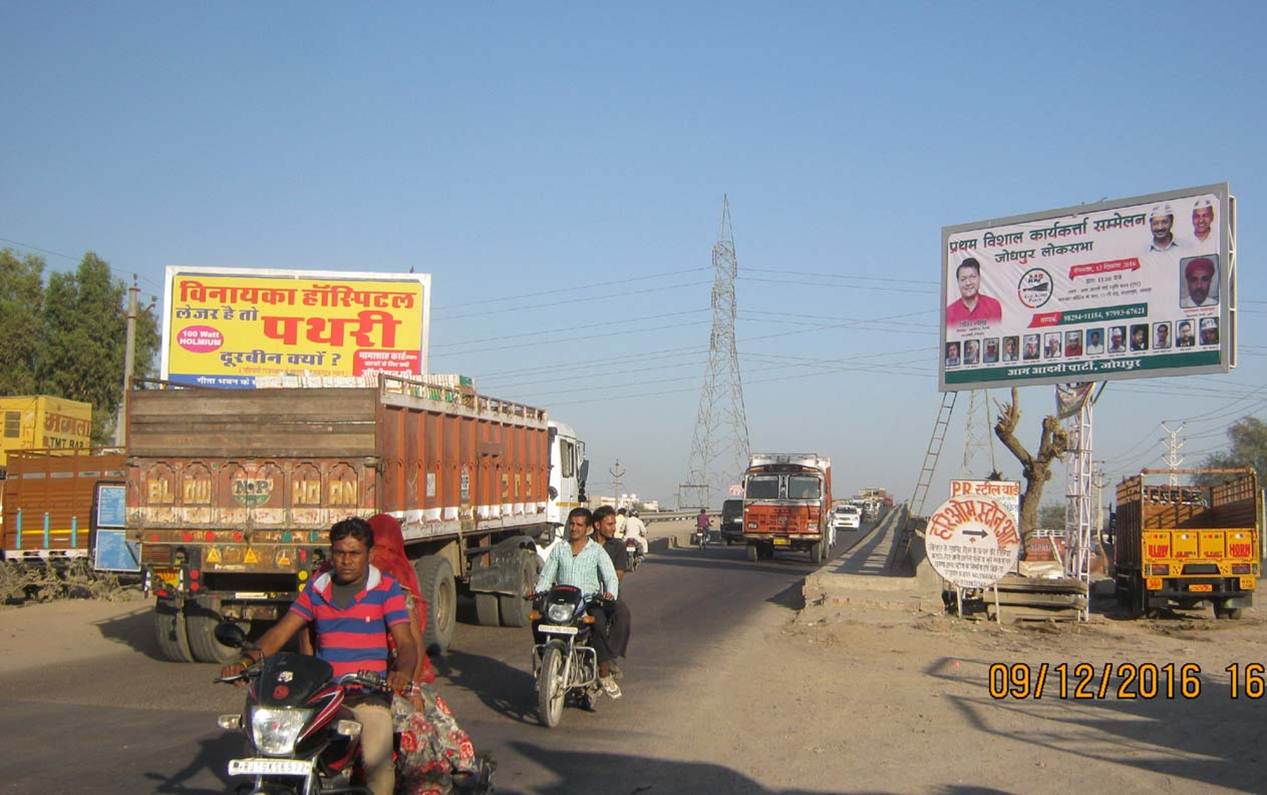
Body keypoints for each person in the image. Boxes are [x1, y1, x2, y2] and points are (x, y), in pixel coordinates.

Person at [219, 517, 417, 795]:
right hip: (321, 697)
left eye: (354, 553)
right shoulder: (316, 588)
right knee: (266, 746)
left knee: (377, 759)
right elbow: (280, 633)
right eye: (339, 553)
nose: (346, 560)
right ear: (331, 554)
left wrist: (402, 673)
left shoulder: (386, 588)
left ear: (369, 555)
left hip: (365, 695)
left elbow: (407, 644)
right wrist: (245, 661)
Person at [535, 507, 622, 698]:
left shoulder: (597, 551)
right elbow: (547, 575)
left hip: (587, 603)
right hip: (561, 603)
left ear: (589, 528)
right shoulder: (560, 549)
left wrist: (609, 595)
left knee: (598, 623)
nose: (574, 528)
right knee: (537, 618)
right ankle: (545, 668)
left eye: (579, 525)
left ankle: (604, 673)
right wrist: (538, 592)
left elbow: (611, 577)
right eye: (571, 524)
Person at [590, 506, 633, 679]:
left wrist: (604, 581)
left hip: (607, 595)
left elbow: (619, 575)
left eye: (614, 524)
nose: (614, 528)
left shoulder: (618, 546)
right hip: (584, 595)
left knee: (623, 615)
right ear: (597, 525)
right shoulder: (585, 543)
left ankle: (610, 656)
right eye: (609, 524)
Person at [946, 258, 1003, 327]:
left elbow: (995, 332)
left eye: (972, 277)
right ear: (958, 282)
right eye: (963, 279)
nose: (968, 283)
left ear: (979, 278)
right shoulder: (949, 312)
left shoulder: (993, 305)